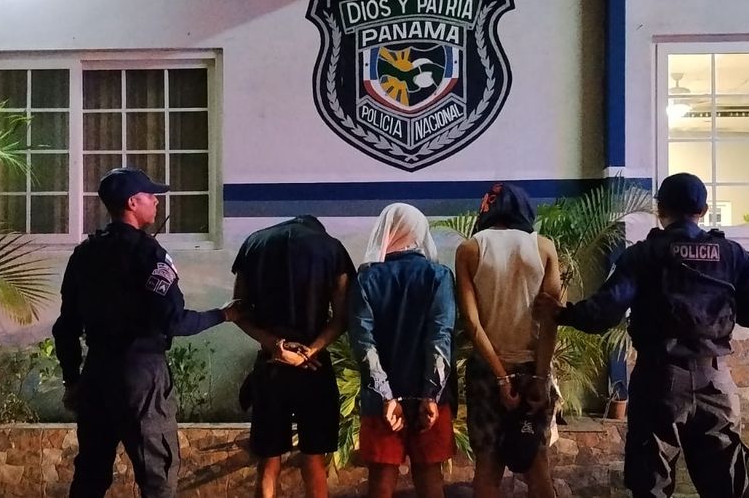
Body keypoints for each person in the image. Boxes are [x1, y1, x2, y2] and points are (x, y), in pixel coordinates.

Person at [536, 173, 749, 498]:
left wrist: (562, 313)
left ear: (660, 210)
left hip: (659, 382)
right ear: (703, 211)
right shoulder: (732, 254)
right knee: (725, 487)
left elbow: (604, 312)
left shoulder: (644, 254)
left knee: (651, 487)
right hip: (716, 384)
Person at [52, 167, 239, 498]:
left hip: (96, 375)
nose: (156, 201)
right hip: (141, 377)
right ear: (132, 202)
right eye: (150, 196)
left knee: (90, 476)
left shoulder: (84, 254)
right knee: (157, 476)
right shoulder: (150, 254)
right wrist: (223, 314)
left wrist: (72, 380)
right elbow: (174, 321)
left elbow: (66, 327)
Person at [230, 215, 355, 498]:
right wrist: (309, 351)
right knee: (313, 457)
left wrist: (276, 345)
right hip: (314, 367)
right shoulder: (332, 248)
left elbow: (238, 311)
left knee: (269, 459)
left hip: (270, 365)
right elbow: (342, 316)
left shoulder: (253, 244)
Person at [454, 183, 561, 498]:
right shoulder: (544, 248)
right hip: (532, 369)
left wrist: (502, 379)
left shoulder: (470, 249)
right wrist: (541, 378)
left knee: (487, 469)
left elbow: (472, 324)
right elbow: (550, 319)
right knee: (538, 466)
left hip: (487, 373)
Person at [348, 203, 456, 498]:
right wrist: (431, 396)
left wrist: (385, 396)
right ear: (419, 232)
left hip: (380, 402)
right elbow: (440, 337)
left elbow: (364, 344)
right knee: (430, 477)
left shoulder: (366, 280)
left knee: (381, 481)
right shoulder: (439, 276)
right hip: (430, 400)